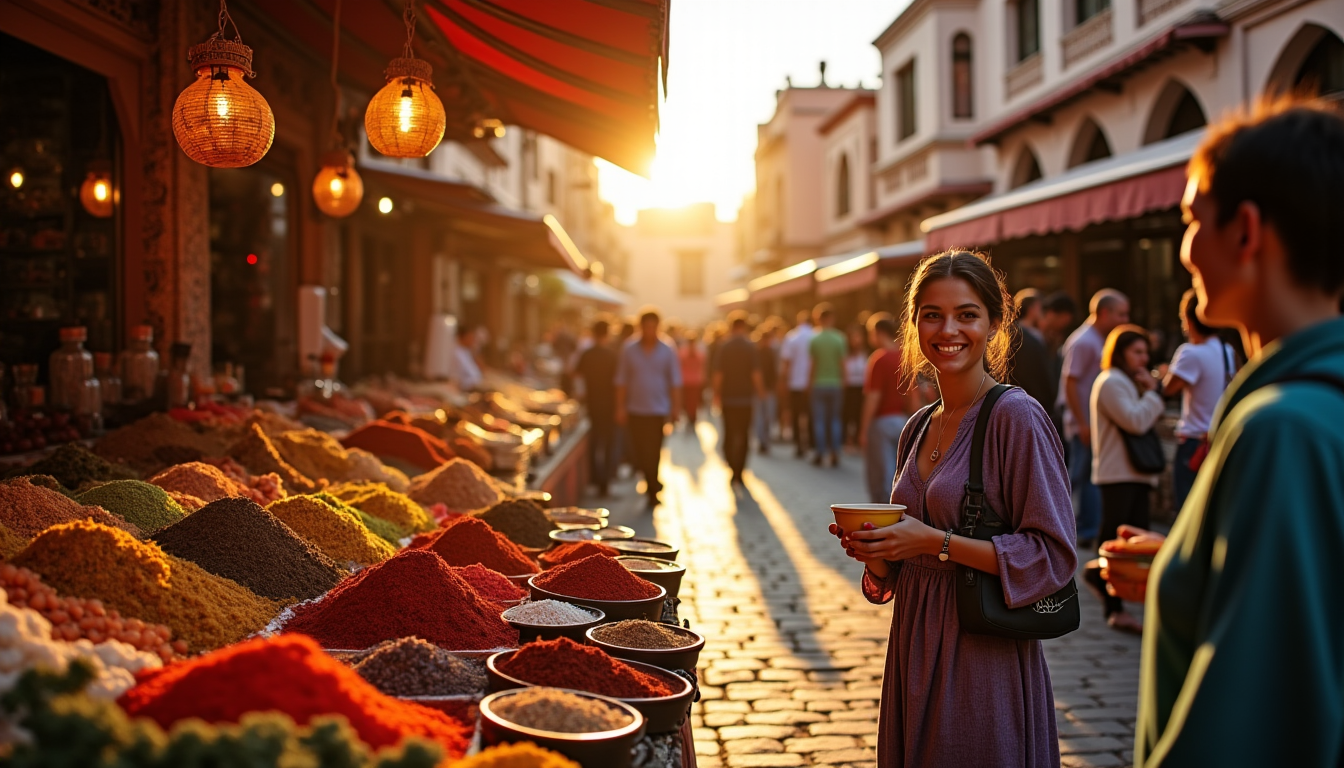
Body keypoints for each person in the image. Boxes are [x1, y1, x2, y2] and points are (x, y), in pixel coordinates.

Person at [1136, 97, 1344, 767]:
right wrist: (1184, 566)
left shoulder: (1281, 431)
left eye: (1194, 219)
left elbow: (1247, 724)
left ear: (1246, 231)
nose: (1187, 249)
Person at [830, 250, 1076, 767]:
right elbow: (898, 574)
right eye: (932, 315)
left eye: (967, 314)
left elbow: (1052, 556)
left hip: (983, 658)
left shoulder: (1016, 417)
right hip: (914, 645)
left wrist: (933, 542)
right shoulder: (917, 425)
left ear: (993, 323)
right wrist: (875, 551)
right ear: (915, 325)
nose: (949, 330)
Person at [1090, 324, 1164, 634]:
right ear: (1120, 353)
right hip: (1118, 473)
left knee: (1135, 539)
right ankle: (1112, 604)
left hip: (1134, 473)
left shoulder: (1126, 381)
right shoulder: (1111, 381)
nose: (1143, 358)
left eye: (1146, 352)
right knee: (1114, 540)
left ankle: (1103, 581)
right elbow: (1135, 421)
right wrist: (1153, 394)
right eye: (1137, 352)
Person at [1059, 288, 1130, 546]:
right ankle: (1081, 531)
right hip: (1084, 423)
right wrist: (1081, 422)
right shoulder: (1085, 341)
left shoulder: (1097, 338)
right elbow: (1070, 382)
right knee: (1081, 477)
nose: (1125, 319)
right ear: (1104, 313)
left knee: (1086, 476)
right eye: (1121, 314)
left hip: (1090, 422)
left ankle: (1084, 529)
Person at [1160, 289, 1236, 512]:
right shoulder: (1226, 350)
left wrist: (1163, 374)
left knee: (1188, 509)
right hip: (1217, 437)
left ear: (1190, 320)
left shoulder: (1190, 353)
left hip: (1194, 442)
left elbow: (1167, 389)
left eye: (1183, 319)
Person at [615, 310, 682, 508]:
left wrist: (676, 408)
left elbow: (675, 381)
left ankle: (653, 487)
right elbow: (621, 380)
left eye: (653, 327)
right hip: (635, 408)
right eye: (646, 327)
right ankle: (652, 481)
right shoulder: (629, 349)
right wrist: (620, 407)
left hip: (658, 409)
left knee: (654, 450)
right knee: (639, 451)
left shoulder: (667, 349)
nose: (650, 331)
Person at [859, 312, 917, 503]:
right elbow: (913, 393)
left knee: (881, 474)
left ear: (878, 332)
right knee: (900, 470)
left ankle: (884, 512)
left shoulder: (879, 358)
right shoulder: (905, 356)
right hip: (903, 420)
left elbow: (873, 397)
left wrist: (864, 429)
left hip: (882, 423)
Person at [712, 311, 763, 486]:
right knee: (744, 433)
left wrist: (716, 394)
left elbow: (719, 374)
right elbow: (755, 373)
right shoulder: (750, 347)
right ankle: (739, 470)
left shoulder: (724, 347)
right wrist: (760, 391)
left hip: (729, 399)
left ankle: (731, 464)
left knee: (729, 432)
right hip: (745, 399)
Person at [575, 319, 619, 498]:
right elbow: (619, 383)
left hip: (592, 403)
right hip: (610, 404)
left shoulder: (586, 354)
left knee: (594, 441)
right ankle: (605, 482)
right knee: (608, 442)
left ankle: (595, 477)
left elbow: (576, 375)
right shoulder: (612, 355)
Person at [807, 304, 847, 468]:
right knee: (835, 420)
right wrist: (844, 382)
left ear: (818, 319)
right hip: (835, 383)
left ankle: (820, 452)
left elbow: (813, 365)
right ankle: (835, 452)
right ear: (832, 319)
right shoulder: (840, 338)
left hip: (818, 383)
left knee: (819, 421)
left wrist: (809, 384)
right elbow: (842, 364)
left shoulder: (814, 339)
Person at [1007, 288, 1057, 414]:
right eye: (1040, 308)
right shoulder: (1026, 338)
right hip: (1029, 403)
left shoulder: (1012, 333)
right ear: (1033, 308)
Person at [778, 310, 814, 458]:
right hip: (812, 382)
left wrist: (784, 380)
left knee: (796, 414)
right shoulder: (815, 336)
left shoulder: (792, 337)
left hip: (795, 382)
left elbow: (786, 361)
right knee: (811, 413)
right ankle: (812, 442)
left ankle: (799, 444)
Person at [753, 324, 779, 454]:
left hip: (768, 389)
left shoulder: (770, 352)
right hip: (761, 389)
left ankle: (764, 440)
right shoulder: (757, 353)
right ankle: (762, 440)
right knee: (761, 416)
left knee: (767, 416)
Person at [842, 324, 868, 448]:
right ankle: (847, 439)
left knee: (859, 414)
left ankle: (858, 439)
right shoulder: (846, 355)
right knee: (848, 414)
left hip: (861, 388)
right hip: (849, 388)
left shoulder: (866, 354)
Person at [678, 330, 706, 429]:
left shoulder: (695, 353)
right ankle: (691, 415)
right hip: (690, 381)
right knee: (689, 401)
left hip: (692, 381)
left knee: (692, 401)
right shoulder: (685, 353)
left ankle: (692, 416)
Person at [451, 324, 484, 391]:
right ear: (462, 337)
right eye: (470, 337)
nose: (472, 340)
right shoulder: (456, 354)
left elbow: (476, 373)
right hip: (464, 390)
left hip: (475, 387)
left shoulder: (466, 351)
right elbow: (459, 380)